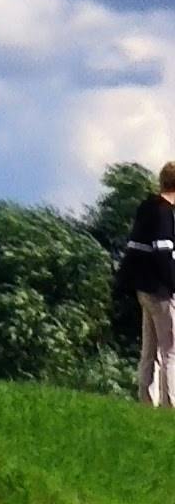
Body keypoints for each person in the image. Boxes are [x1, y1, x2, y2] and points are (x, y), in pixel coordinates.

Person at [120, 162, 175, 405]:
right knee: (171, 350)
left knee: (149, 348)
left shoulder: (147, 207)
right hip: (161, 290)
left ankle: (145, 398)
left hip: (143, 287)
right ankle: (170, 402)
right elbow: (163, 253)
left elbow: (134, 249)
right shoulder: (164, 213)